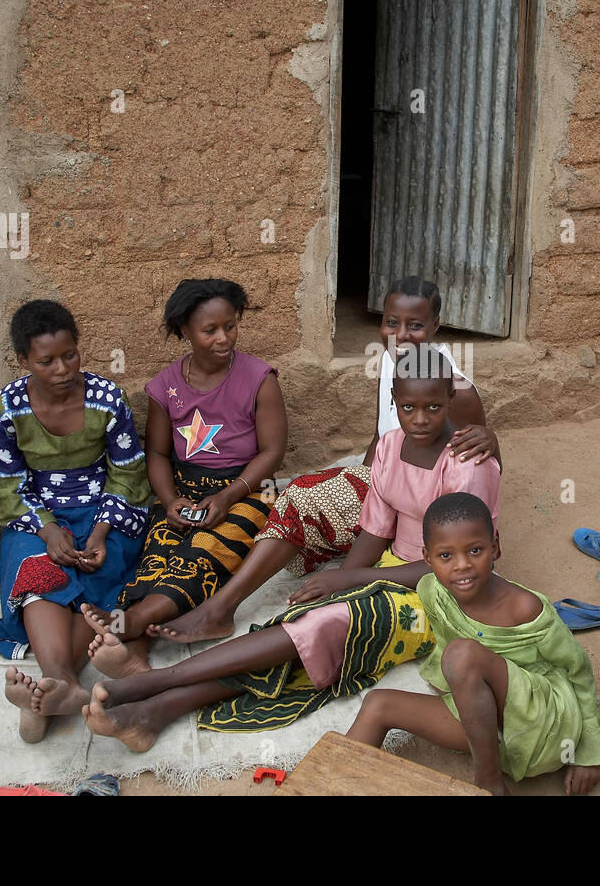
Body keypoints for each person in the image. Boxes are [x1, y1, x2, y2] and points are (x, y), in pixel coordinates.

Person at [81, 356, 500, 748]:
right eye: (409, 407)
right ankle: (156, 710)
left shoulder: (467, 467)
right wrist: (339, 586)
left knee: (324, 633)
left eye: (433, 407)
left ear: (451, 400)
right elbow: (375, 528)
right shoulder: (392, 445)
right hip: (391, 566)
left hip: (441, 593)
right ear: (394, 401)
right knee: (309, 624)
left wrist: (351, 580)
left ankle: (159, 686)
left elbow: (455, 569)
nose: (420, 419)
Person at [145, 276, 499, 643]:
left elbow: (485, 461)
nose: (401, 335)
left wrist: (490, 437)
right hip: (387, 488)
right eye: (391, 322)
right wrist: (359, 482)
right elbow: (381, 437)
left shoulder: (456, 389)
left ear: (436, 327)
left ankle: (220, 609)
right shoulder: (394, 363)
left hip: (428, 510)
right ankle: (223, 608)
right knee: (299, 493)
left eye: (415, 326)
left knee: (300, 500)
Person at [82, 279, 287, 678]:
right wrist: (170, 499)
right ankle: (134, 655)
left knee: (203, 554)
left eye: (230, 326)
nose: (223, 337)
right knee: (156, 557)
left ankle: (123, 625)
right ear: (184, 332)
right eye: (209, 330)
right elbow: (157, 452)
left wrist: (228, 497)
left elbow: (272, 453)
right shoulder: (166, 387)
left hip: (248, 489)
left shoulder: (260, 378)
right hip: (185, 490)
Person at [348, 493, 600, 795]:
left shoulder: (524, 608)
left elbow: (577, 671)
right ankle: (325, 785)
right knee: (377, 704)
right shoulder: (432, 590)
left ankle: (489, 785)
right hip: (484, 729)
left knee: (461, 655)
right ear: (427, 558)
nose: (462, 566)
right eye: (445, 556)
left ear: (495, 547)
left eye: (475, 550)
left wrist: (590, 752)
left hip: (541, 725)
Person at [0, 300, 150, 743]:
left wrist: (99, 531)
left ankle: (52, 688)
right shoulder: (4, 410)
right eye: (46, 361)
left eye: (70, 355)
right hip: (38, 513)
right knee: (37, 570)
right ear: (23, 361)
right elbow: (6, 485)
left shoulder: (106, 398)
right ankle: (62, 681)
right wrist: (46, 529)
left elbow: (128, 472)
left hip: (106, 509)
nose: (63, 369)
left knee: (102, 575)